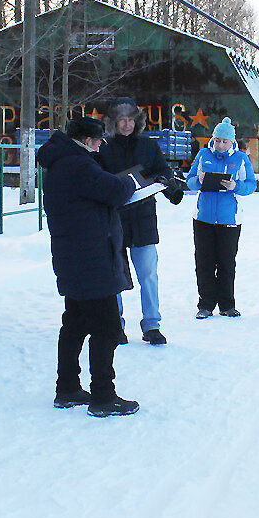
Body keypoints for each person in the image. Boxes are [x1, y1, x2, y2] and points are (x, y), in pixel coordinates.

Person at [36, 116, 141, 417]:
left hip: (73, 256)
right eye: (96, 142)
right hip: (92, 259)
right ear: (84, 140)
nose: (98, 148)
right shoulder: (78, 164)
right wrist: (130, 181)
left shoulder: (60, 162)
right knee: (107, 328)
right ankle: (104, 397)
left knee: (75, 323)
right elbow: (116, 190)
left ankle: (67, 388)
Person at [96, 97, 183, 346]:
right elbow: (98, 180)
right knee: (115, 276)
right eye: (121, 120)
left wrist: (167, 185)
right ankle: (116, 324)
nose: (126, 125)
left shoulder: (148, 146)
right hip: (115, 219)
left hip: (144, 219)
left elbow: (163, 171)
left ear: (137, 121)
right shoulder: (104, 148)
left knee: (148, 275)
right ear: (113, 123)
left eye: (130, 119)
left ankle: (152, 324)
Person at [184, 117, 256, 319]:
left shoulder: (241, 159)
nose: (221, 145)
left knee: (226, 263)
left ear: (232, 142)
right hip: (203, 218)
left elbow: (251, 185)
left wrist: (236, 187)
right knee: (204, 262)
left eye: (225, 141)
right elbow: (189, 181)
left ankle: (227, 305)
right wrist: (197, 181)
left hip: (229, 220)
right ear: (213, 140)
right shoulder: (203, 155)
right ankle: (205, 305)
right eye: (217, 140)